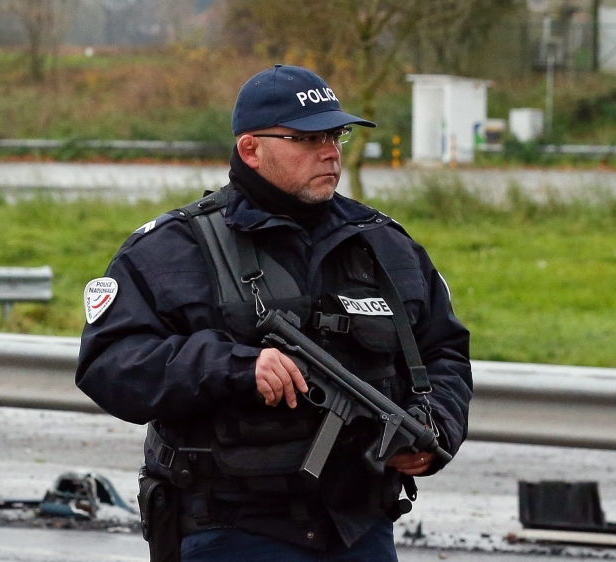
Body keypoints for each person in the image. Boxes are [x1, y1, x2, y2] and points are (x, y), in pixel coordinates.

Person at [76, 65, 472, 561]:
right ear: (250, 149)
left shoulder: (386, 247)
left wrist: (432, 431)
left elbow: (444, 353)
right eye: (307, 138)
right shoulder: (173, 250)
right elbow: (110, 365)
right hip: (228, 529)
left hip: (357, 529)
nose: (330, 151)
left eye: (336, 135)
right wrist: (236, 367)